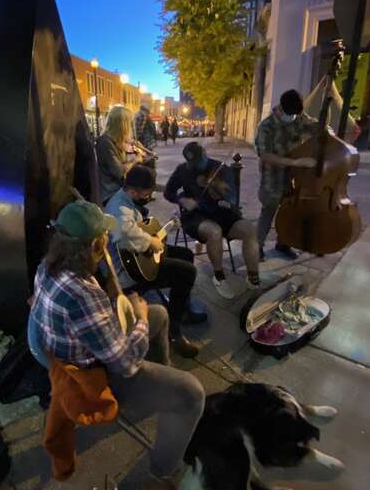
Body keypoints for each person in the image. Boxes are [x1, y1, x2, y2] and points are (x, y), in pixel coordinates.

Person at [27, 200, 206, 490]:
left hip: (64, 352)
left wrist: (126, 307)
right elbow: (123, 363)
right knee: (192, 394)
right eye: (104, 239)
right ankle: (160, 475)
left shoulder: (46, 267)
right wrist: (137, 318)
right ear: (96, 244)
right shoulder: (82, 293)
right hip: (93, 374)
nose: (107, 243)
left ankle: (158, 395)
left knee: (161, 314)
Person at [104, 164, 205, 359]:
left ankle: (182, 309)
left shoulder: (127, 198)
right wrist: (151, 241)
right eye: (146, 194)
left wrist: (157, 234)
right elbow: (124, 234)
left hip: (137, 259)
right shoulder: (118, 207)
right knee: (187, 272)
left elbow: (139, 227)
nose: (148, 197)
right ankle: (174, 332)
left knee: (185, 254)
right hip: (128, 274)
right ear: (133, 191)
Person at [164, 142, 260, 300]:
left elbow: (233, 199)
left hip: (223, 213)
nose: (196, 166)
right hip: (196, 215)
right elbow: (168, 192)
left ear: (205, 154)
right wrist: (182, 199)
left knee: (250, 230)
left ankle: (253, 276)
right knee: (214, 232)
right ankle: (219, 276)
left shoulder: (221, 169)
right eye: (192, 163)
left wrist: (223, 194)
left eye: (199, 161)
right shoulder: (183, 170)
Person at [254, 89, 318, 261]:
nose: (293, 118)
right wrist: (295, 163)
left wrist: (327, 129)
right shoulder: (266, 126)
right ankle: (257, 246)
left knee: (290, 211)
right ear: (281, 108)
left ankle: (283, 243)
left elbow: (316, 126)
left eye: (296, 115)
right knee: (268, 211)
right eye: (290, 115)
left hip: (294, 177)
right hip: (271, 178)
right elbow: (265, 155)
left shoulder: (298, 116)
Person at [96, 105, 134, 204]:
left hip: (119, 191)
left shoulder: (116, 141)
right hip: (110, 195)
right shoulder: (105, 143)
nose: (130, 127)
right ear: (122, 124)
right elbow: (119, 171)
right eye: (129, 123)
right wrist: (136, 160)